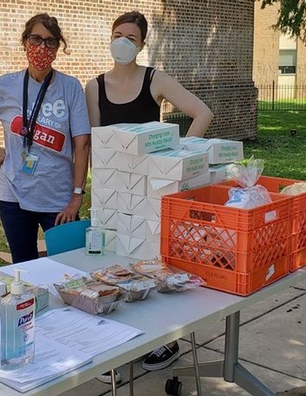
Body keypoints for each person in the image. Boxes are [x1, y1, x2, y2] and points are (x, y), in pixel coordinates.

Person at [85, 11, 213, 381]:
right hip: (114, 192)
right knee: (111, 267)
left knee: (156, 265)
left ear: (141, 44)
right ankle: (114, 342)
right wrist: (99, 188)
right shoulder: (93, 87)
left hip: (154, 191)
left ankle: (166, 339)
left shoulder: (154, 79)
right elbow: (98, 145)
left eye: (131, 36)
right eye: (117, 34)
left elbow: (201, 112)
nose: (122, 41)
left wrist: (178, 160)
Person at [0, 13, 91, 264]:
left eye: (50, 42)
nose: (42, 47)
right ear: (25, 42)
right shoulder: (5, 85)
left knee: (71, 266)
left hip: (59, 198)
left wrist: (76, 196)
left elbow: (82, 144)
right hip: (13, 194)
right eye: (36, 39)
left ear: (58, 47)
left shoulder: (70, 87)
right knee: (25, 267)